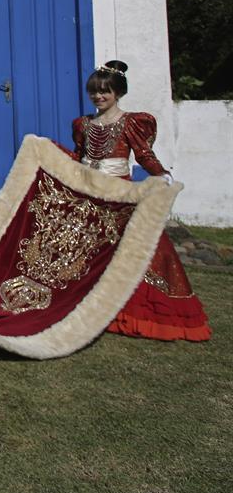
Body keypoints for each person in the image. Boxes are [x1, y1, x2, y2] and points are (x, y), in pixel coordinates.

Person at [71, 61, 210, 341]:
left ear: (117, 93)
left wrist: (162, 175)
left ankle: (136, 313)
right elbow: (77, 156)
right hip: (89, 196)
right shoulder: (83, 124)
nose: (99, 97)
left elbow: (143, 154)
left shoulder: (132, 122)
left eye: (105, 92)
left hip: (120, 196)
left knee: (141, 250)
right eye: (94, 92)